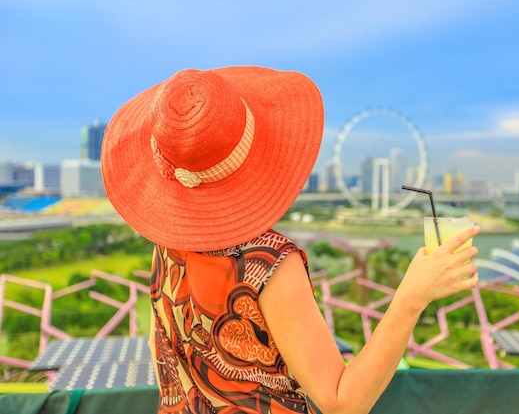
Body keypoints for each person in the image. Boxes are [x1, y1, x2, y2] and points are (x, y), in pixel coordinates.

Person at [101, 66, 480, 414]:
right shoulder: (268, 264)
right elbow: (342, 402)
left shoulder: (167, 243)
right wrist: (412, 298)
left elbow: (160, 348)